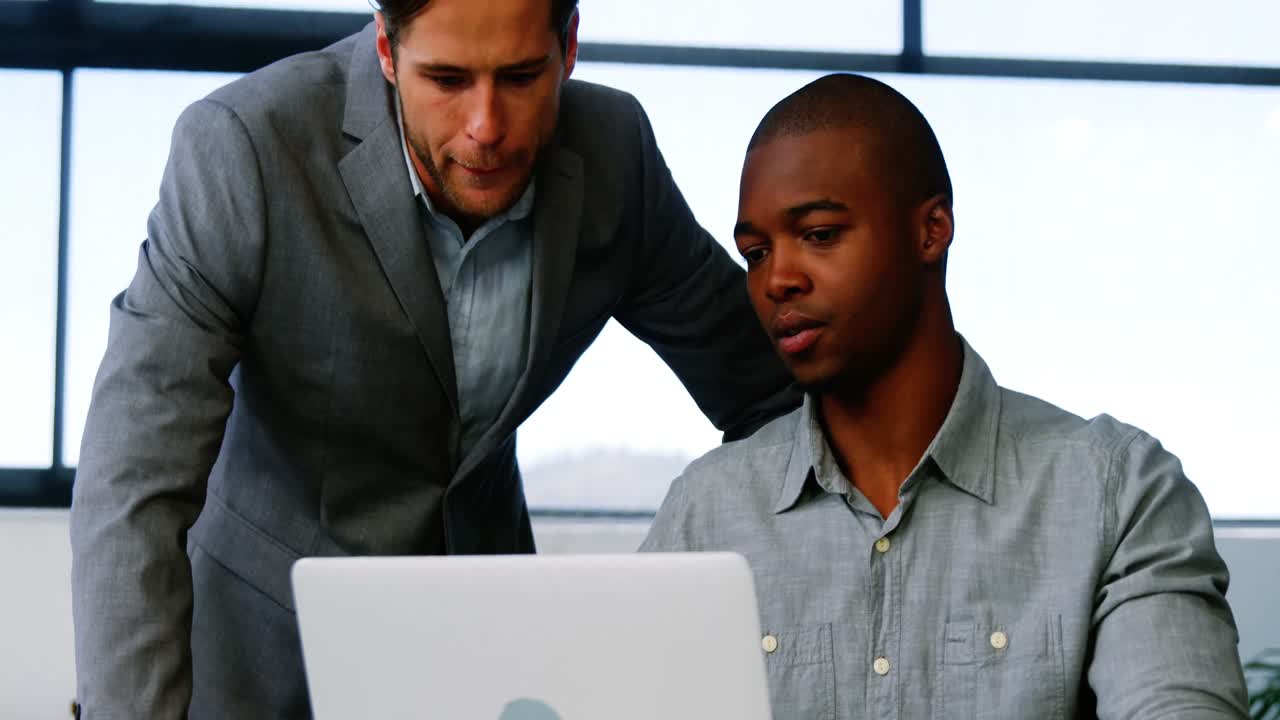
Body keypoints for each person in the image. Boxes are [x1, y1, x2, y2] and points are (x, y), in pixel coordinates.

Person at [68, 1, 798, 717]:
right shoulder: (247, 148)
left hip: (491, 661)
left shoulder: (613, 154)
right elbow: (134, 481)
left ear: (569, 46)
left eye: (519, 77)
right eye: (447, 80)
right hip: (265, 658)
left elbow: (768, 390)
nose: (486, 128)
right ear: (387, 49)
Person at [641, 73, 1249, 719]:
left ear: (931, 230)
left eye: (819, 234)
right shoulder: (705, 515)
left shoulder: (1116, 491)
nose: (777, 280)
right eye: (756, 253)